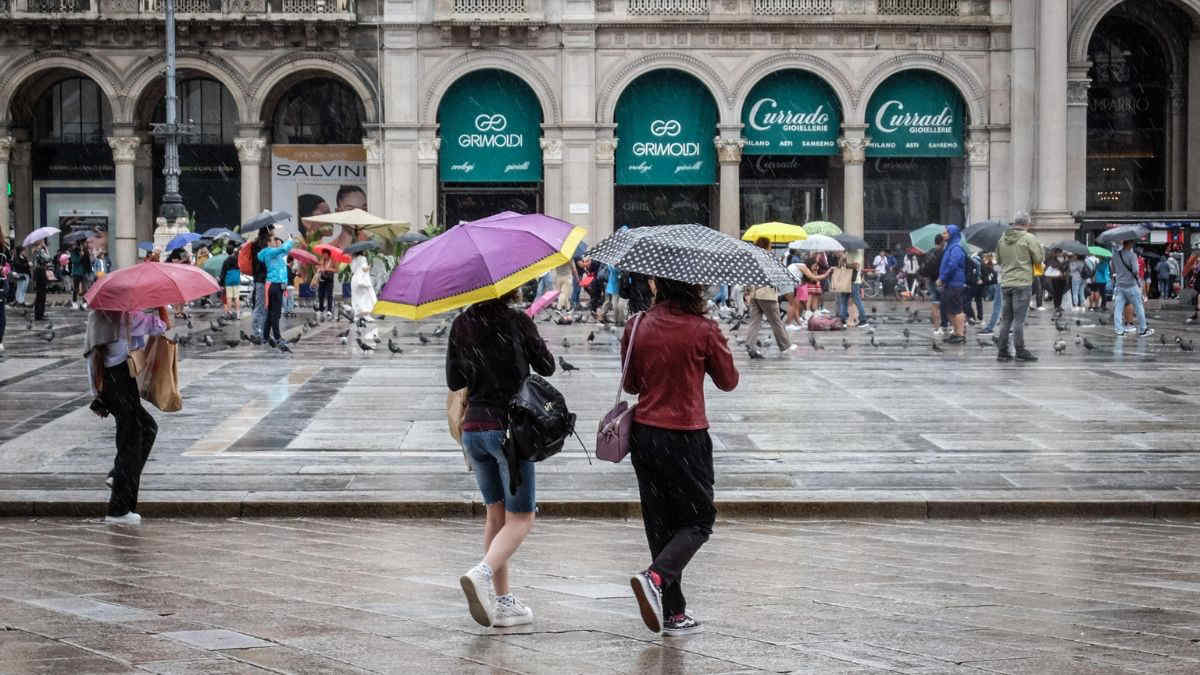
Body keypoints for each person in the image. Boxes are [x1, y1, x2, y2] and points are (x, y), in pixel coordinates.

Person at [624, 276, 738, 637]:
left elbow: (630, 384)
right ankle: (654, 577)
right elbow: (728, 381)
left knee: (659, 523)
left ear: (658, 283)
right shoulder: (704, 329)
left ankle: (672, 611)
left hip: (645, 434)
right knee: (699, 520)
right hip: (687, 436)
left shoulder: (636, 325)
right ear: (695, 286)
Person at [448, 289, 555, 629]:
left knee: (496, 513)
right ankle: (481, 573)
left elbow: (454, 380)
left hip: (474, 431)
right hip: (508, 433)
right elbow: (547, 367)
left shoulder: (461, 324)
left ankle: (504, 602)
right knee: (522, 518)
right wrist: (528, 334)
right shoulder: (517, 321)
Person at [85, 306, 170, 525]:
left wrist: (98, 393)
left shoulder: (99, 316)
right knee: (131, 440)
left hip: (113, 381)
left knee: (145, 429)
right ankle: (119, 510)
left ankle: (118, 476)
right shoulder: (129, 317)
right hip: (120, 379)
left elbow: (91, 358)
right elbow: (162, 326)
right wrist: (161, 306)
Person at [994, 212, 1043, 361]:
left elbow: (999, 259)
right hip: (1022, 283)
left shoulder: (1002, 239)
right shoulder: (1029, 238)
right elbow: (1038, 259)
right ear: (1027, 224)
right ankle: (1020, 351)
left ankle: (1002, 351)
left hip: (1006, 282)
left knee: (1006, 319)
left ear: (1014, 223)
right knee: (1019, 320)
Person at [745, 238, 796, 356]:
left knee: (755, 322)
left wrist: (747, 291)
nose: (771, 246)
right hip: (767, 294)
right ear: (766, 245)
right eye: (770, 244)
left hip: (754, 293)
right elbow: (778, 275)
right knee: (776, 321)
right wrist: (779, 262)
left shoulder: (753, 258)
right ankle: (785, 345)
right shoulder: (769, 258)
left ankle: (750, 343)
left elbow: (747, 276)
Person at [257, 230, 296, 351]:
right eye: (274, 240)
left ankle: (265, 336)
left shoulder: (274, 254)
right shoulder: (269, 252)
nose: (276, 242)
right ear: (268, 242)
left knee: (271, 312)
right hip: (274, 285)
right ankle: (278, 337)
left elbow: (284, 251)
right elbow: (283, 249)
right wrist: (289, 240)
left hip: (278, 285)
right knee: (276, 313)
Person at [1112, 239, 1153, 338]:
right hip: (1131, 285)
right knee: (1138, 307)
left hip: (1120, 285)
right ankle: (1143, 329)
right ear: (1130, 243)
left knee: (1118, 308)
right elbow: (1135, 270)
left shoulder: (1115, 255)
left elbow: (1113, 268)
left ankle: (1119, 330)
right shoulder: (1132, 255)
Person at [937, 226, 967, 344]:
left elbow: (952, 265)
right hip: (949, 283)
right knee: (948, 308)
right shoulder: (950, 247)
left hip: (955, 283)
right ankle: (955, 332)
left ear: (952, 234)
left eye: (946, 233)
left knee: (956, 309)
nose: (943, 235)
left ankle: (960, 334)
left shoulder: (956, 248)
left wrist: (942, 278)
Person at [923, 235, 948, 334]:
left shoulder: (929, 252)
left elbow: (925, 267)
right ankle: (944, 325)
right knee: (945, 304)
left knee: (934, 304)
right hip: (940, 281)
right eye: (944, 241)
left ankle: (936, 328)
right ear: (942, 242)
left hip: (930, 280)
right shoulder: (944, 253)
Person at [350, 246, 377, 337]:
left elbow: (353, 270)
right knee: (365, 297)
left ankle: (357, 316)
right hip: (362, 282)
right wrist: (370, 266)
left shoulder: (353, 260)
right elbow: (364, 269)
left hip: (354, 280)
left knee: (356, 298)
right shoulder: (363, 258)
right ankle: (366, 315)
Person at [250, 227, 271, 342]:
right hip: (262, 279)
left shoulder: (255, 245)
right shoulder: (262, 247)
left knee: (262, 306)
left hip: (259, 279)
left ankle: (261, 331)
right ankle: (258, 331)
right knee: (261, 306)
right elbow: (262, 263)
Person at [978, 253, 1002, 335]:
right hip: (1015, 282)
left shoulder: (1005, 251)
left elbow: (998, 269)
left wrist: (996, 265)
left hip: (1003, 282)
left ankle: (990, 327)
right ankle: (1009, 328)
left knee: (997, 305)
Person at [1044, 249, 1068, 314]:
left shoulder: (1065, 259)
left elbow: (1067, 267)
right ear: (1056, 253)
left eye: (1060, 252)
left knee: (1061, 292)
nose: (1060, 254)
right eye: (1058, 253)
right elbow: (1051, 266)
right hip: (1055, 278)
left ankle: (1059, 305)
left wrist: (1065, 269)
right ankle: (1056, 306)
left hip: (1063, 278)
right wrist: (1059, 266)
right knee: (1056, 292)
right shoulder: (1052, 260)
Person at [69, 240, 92, 309]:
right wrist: (81, 256)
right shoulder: (74, 252)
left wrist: (87, 255)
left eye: (84, 244)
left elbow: (88, 262)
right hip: (76, 272)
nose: (84, 245)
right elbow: (74, 261)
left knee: (85, 288)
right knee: (76, 289)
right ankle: (74, 302)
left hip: (84, 272)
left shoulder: (86, 251)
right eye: (82, 244)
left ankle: (84, 303)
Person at [314, 250, 337, 317]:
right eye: (323, 254)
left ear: (328, 254)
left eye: (325, 254)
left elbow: (336, 270)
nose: (324, 256)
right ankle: (321, 309)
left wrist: (327, 269)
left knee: (329, 295)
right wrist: (318, 268)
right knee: (320, 294)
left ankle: (329, 310)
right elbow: (318, 267)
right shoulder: (322, 261)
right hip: (322, 279)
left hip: (329, 280)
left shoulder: (333, 261)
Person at [219, 251, 241, 318]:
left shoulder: (226, 261)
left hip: (228, 280)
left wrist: (221, 284)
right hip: (236, 280)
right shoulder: (238, 261)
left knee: (229, 298)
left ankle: (229, 312)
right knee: (237, 298)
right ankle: (238, 314)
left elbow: (222, 274)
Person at [32, 241, 50, 321]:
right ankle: (40, 314)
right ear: (39, 244)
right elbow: (48, 258)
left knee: (39, 294)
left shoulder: (35, 251)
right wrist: (46, 249)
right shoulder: (41, 251)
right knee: (42, 295)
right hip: (41, 272)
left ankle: (38, 314)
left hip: (37, 272)